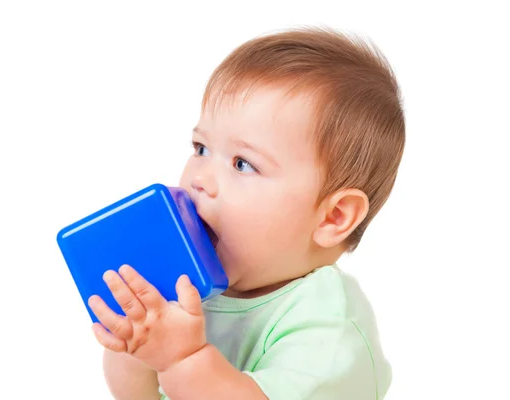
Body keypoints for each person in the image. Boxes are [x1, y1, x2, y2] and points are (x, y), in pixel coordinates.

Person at [87, 26, 405, 400]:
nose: (201, 178)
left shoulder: (327, 325)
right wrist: (136, 349)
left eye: (242, 163)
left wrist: (180, 360)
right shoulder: (194, 288)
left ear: (333, 217)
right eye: (201, 148)